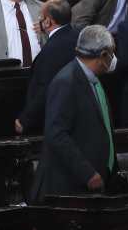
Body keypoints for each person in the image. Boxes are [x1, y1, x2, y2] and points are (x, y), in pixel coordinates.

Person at [32, 25, 118, 202]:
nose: (114, 58)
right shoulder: (66, 82)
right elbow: (56, 134)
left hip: (92, 185)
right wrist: (87, 173)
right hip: (69, 188)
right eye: (112, 53)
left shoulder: (93, 80)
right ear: (103, 55)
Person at [15, 0, 79, 134]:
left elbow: (44, 88)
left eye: (41, 17)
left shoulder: (51, 49)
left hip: (55, 117)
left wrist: (26, 119)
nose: (39, 20)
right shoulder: (78, 36)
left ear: (48, 21)